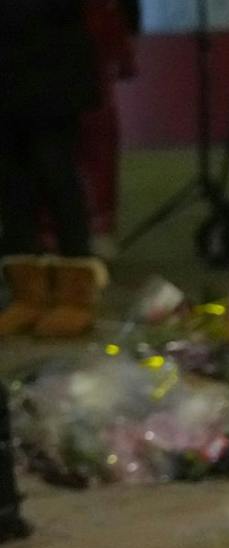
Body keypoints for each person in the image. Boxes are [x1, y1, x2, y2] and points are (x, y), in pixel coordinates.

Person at [0, 0, 108, 338]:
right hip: (7, 62)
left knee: (56, 172)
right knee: (10, 179)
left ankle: (76, 295)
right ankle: (27, 296)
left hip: (50, 59)